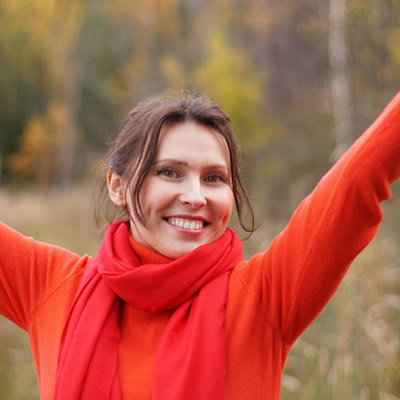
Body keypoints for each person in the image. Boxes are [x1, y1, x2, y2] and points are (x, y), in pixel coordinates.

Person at [0, 91, 399, 400]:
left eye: (214, 178)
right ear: (117, 186)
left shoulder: (264, 297)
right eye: (169, 172)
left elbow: (355, 181)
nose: (195, 196)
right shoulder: (54, 288)